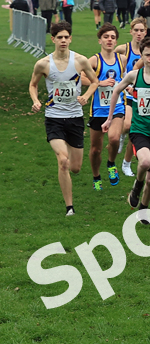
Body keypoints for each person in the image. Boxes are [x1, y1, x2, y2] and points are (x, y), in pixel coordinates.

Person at [102, 37, 150, 223]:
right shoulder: (134, 76)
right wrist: (110, 118)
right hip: (140, 129)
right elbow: (116, 91)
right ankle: (137, 184)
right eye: (147, 55)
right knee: (144, 162)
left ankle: (143, 208)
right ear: (142, 56)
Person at [29, 22, 100, 216]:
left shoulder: (80, 61)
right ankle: (70, 207)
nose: (63, 40)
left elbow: (95, 82)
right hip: (54, 117)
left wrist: (86, 96)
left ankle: (67, 154)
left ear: (70, 38)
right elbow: (33, 85)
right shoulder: (43, 64)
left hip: (75, 117)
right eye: (59, 37)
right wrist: (35, 100)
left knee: (76, 168)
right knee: (63, 161)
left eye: (66, 37)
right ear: (53, 39)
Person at [84, 24, 127, 192]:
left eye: (113, 37)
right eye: (106, 37)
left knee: (115, 138)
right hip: (97, 110)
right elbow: (79, 77)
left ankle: (111, 163)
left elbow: (127, 77)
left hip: (117, 108)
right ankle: (96, 176)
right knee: (95, 149)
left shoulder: (121, 60)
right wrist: (99, 82)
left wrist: (128, 87)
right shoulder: (94, 60)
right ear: (99, 40)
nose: (110, 40)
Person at [115, 17, 147, 177]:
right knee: (127, 125)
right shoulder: (123, 49)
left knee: (135, 129)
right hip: (126, 92)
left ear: (146, 32)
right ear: (131, 31)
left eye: (142, 30)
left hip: (144, 94)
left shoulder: (149, 50)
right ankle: (121, 136)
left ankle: (126, 163)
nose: (139, 33)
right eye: (136, 30)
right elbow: (108, 61)